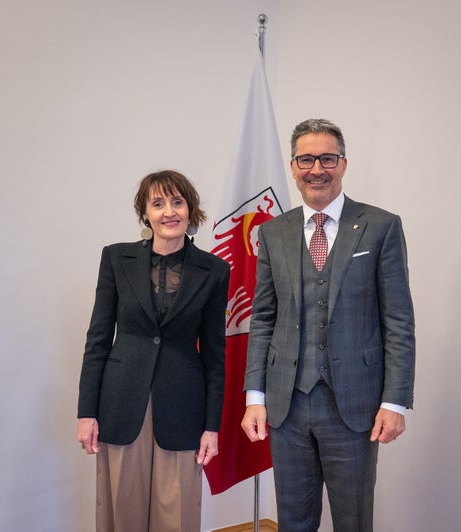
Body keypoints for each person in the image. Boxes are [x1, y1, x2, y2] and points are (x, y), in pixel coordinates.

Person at [241, 119, 416, 531]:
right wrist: (255, 396)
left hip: (354, 405)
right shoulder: (273, 233)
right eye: (306, 159)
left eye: (327, 158)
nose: (316, 169)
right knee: (293, 522)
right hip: (287, 406)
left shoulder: (381, 226)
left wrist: (394, 402)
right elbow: (263, 317)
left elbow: (398, 320)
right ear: (293, 167)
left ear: (344, 163)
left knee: (353, 521)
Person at [76, 170, 229, 532]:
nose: (169, 212)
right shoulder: (116, 258)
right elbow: (97, 340)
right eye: (158, 203)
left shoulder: (214, 270)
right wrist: (86, 413)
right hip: (120, 402)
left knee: (177, 514)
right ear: (145, 213)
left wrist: (212, 427)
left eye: (177, 202)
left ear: (191, 209)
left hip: (183, 407)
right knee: (122, 509)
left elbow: (215, 356)